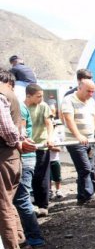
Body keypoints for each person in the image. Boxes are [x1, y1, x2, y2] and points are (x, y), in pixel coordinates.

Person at [0, 69, 36, 249]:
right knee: (8, 202)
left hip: (4, 156)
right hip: (12, 157)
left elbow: (6, 128)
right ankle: (21, 243)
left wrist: (16, 141)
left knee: (3, 204)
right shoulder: (12, 96)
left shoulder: (1, 95)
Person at [61, 73, 95, 207]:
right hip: (74, 141)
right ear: (79, 88)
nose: (91, 94)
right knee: (85, 168)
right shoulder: (69, 100)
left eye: (93, 91)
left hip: (90, 140)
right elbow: (68, 119)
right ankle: (89, 197)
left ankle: (81, 197)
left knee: (89, 167)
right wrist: (78, 135)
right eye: (88, 91)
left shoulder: (91, 101)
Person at [13, 88, 45, 249]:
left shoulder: (17, 106)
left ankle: (34, 236)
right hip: (24, 157)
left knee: (22, 199)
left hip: (24, 158)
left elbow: (22, 132)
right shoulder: (19, 105)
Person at [25, 83, 55, 216]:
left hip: (41, 145)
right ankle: (30, 203)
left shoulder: (44, 106)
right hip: (27, 147)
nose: (41, 98)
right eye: (38, 96)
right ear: (28, 96)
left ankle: (43, 205)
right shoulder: (22, 108)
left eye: (42, 96)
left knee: (42, 176)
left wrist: (50, 138)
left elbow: (49, 123)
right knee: (28, 176)